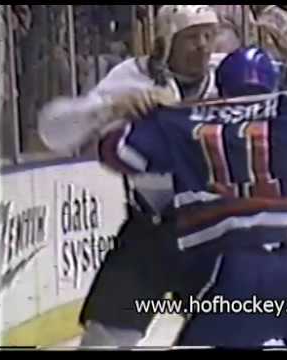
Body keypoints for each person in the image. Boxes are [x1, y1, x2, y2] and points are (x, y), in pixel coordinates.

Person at [95, 47, 287, 348]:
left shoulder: (187, 120)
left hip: (233, 273)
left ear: (220, 87)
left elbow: (118, 152)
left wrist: (140, 111)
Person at [39, 5, 223, 347]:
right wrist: (111, 107)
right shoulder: (130, 77)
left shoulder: (231, 73)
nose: (203, 45)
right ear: (165, 43)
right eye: (191, 37)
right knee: (103, 341)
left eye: (209, 35)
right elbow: (53, 131)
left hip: (214, 231)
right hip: (151, 233)